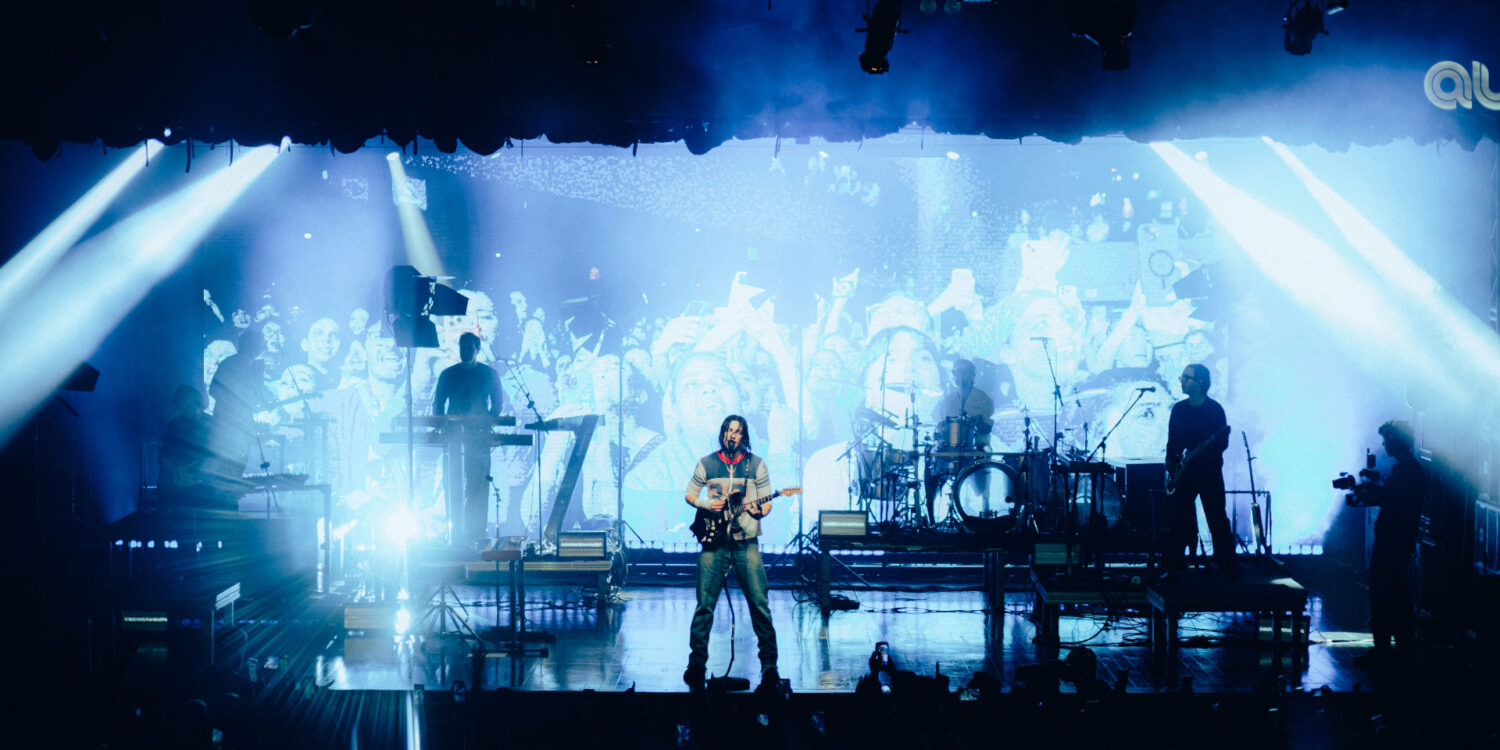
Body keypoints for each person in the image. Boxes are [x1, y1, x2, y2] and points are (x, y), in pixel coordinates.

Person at [682, 415, 780, 694]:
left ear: (744, 436)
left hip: (745, 542)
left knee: (760, 604)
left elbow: (766, 503)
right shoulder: (707, 462)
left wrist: (759, 510)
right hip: (714, 544)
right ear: (722, 434)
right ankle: (697, 665)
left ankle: (769, 667)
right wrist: (706, 504)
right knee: (704, 607)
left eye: (737, 431)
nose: (732, 435)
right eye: (728, 430)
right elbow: (689, 494)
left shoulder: (757, 464)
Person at [1354, 420, 1425, 667]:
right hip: (1396, 541)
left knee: (1386, 595)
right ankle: (1396, 651)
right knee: (1393, 596)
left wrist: (1374, 492)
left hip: (1393, 542)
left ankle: (1388, 651)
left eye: (1386, 440)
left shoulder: (1407, 472)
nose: (1383, 445)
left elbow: (1395, 502)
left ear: (1395, 441)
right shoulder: (1407, 470)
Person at [1161, 363, 1238, 579]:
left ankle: (1229, 568)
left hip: (1210, 473)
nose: (1182, 381)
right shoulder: (1179, 410)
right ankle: (1174, 566)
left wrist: (1203, 453)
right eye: (1182, 377)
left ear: (1200, 382)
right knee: (1179, 520)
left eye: (1186, 377)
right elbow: (1173, 441)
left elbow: (1222, 442)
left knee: (1217, 519)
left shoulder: (1214, 410)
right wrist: (1171, 463)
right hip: (1185, 473)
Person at [432, 332, 503, 549]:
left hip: (478, 438)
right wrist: (442, 426)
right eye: (462, 347)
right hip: (453, 438)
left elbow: (497, 404)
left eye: (469, 348)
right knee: (452, 485)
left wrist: (486, 422)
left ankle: (476, 534)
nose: (465, 352)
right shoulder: (447, 374)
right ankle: (455, 534)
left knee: (478, 487)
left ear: (477, 349)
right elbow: (438, 405)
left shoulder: (489, 374)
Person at [925, 358, 994, 524]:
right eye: (957, 373)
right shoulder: (948, 400)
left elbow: (987, 427)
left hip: (976, 450)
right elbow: (941, 427)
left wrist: (977, 424)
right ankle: (930, 518)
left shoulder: (983, 398)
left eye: (964, 372)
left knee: (985, 454)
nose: (960, 376)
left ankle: (984, 512)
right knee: (930, 463)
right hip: (951, 451)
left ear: (972, 375)